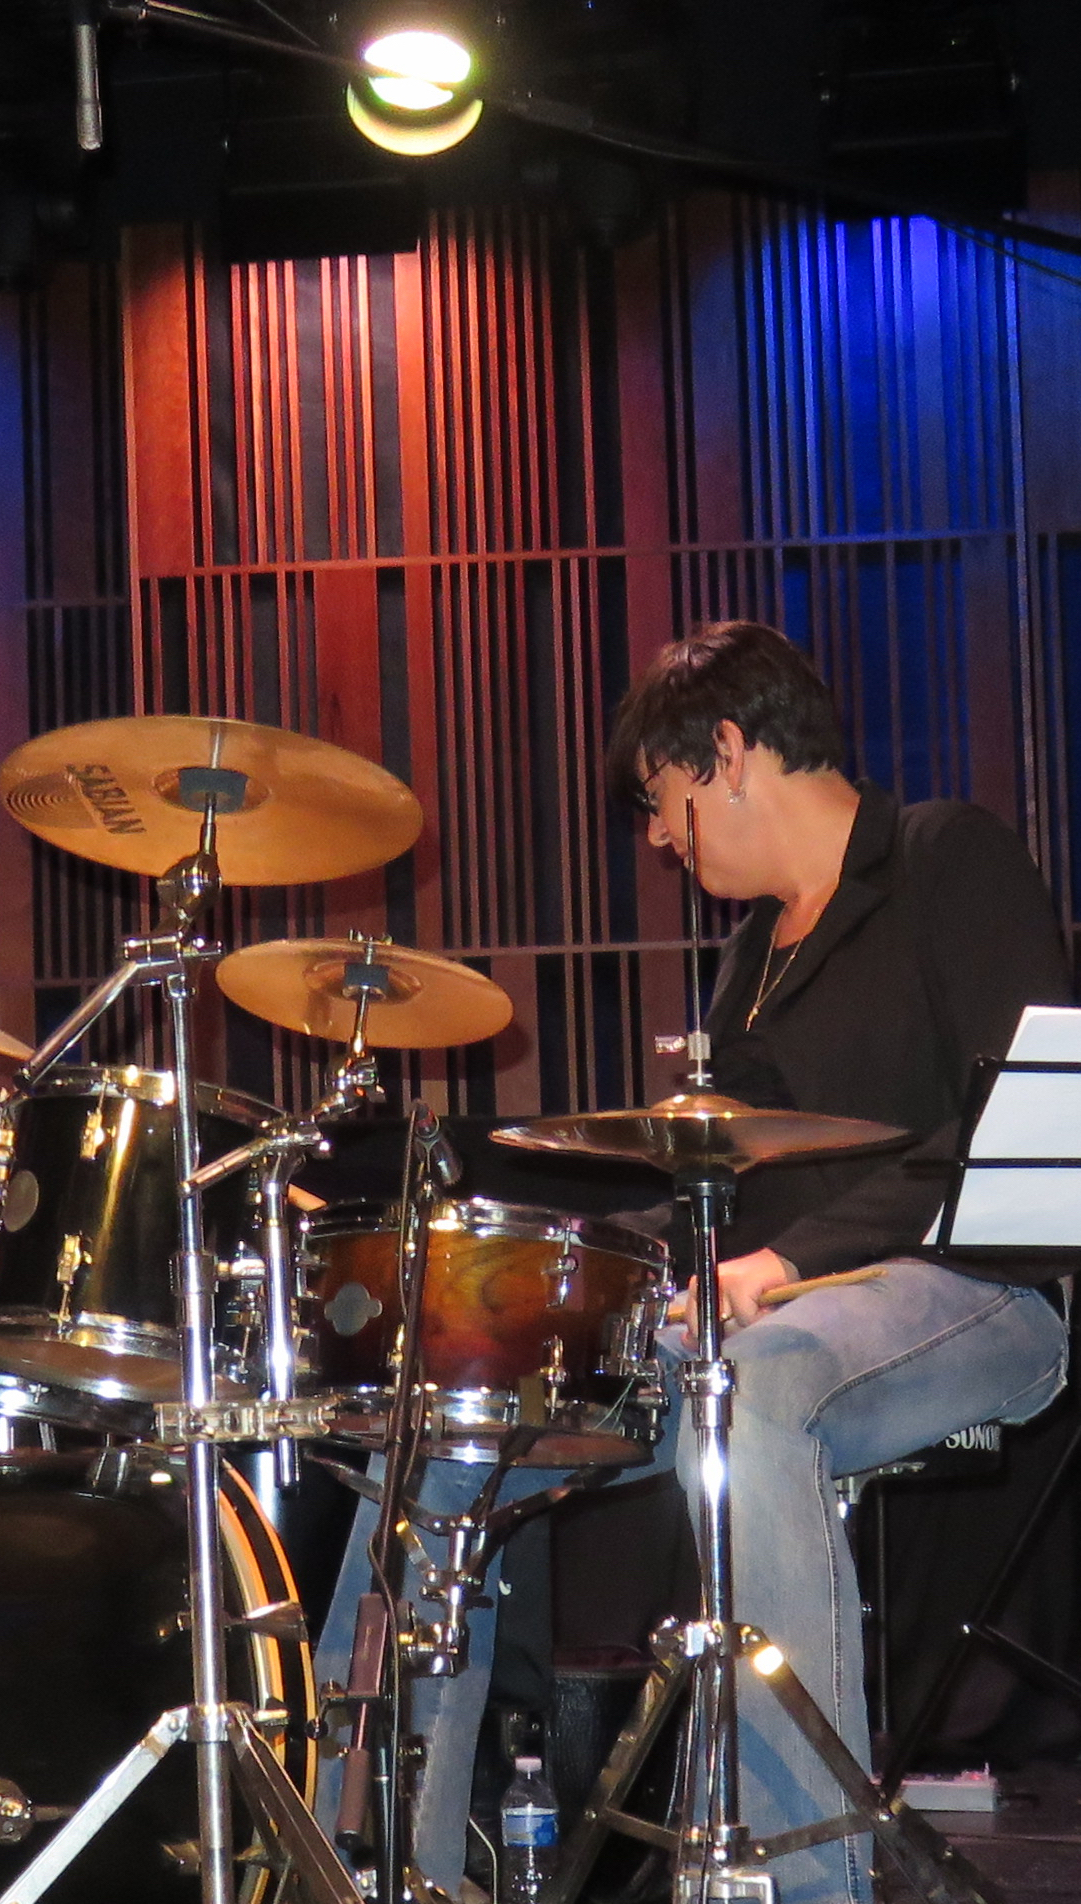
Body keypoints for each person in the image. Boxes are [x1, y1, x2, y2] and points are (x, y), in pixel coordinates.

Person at [315, 621, 1072, 1904]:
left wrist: (774, 1259)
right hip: (785, 1301)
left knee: (757, 1384)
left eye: (661, 804)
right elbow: (716, 1192)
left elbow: (1018, 1131)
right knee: (456, 1399)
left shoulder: (948, 857)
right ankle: (383, 1858)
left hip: (980, 1295)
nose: (664, 841)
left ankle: (802, 1878)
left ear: (725, 752)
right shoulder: (749, 961)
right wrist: (584, 1282)